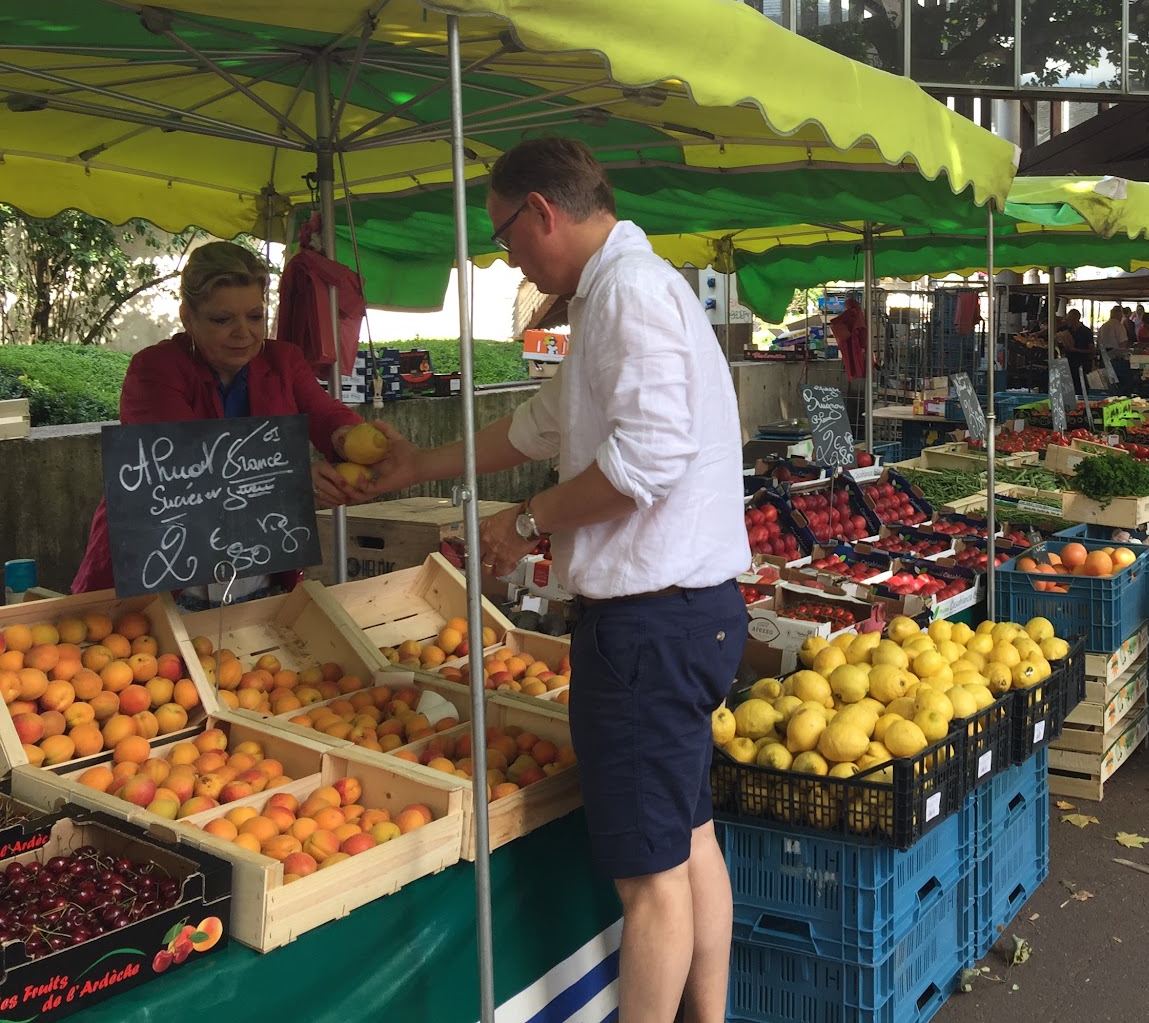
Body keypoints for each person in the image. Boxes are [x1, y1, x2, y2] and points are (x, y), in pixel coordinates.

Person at [366, 138, 748, 1023]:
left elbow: (644, 460)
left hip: (651, 626)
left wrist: (525, 521)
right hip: (685, 620)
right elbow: (541, 424)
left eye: (505, 235)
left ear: (542, 210)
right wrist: (418, 463)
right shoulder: (623, 290)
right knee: (690, 843)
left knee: (651, 889)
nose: (508, 257)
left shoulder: (627, 293)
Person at [71, 242, 371, 601]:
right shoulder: (155, 369)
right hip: (161, 574)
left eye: (255, 316)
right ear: (188, 318)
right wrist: (292, 480)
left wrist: (347, 435)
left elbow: (325, 413)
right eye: (222, 319)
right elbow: (187, 466)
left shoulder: (283, 361)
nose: (243, 332)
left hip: (259, 572)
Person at [1056, 308, 1097, 392]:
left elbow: (1092, 350)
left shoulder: (1086, 332)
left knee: (1081, 387)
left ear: (1076, 319)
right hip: (1068, 364)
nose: (1067, 321)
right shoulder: (1066, 329)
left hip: (1082, 364)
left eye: (1069, 319)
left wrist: (1076, 350)